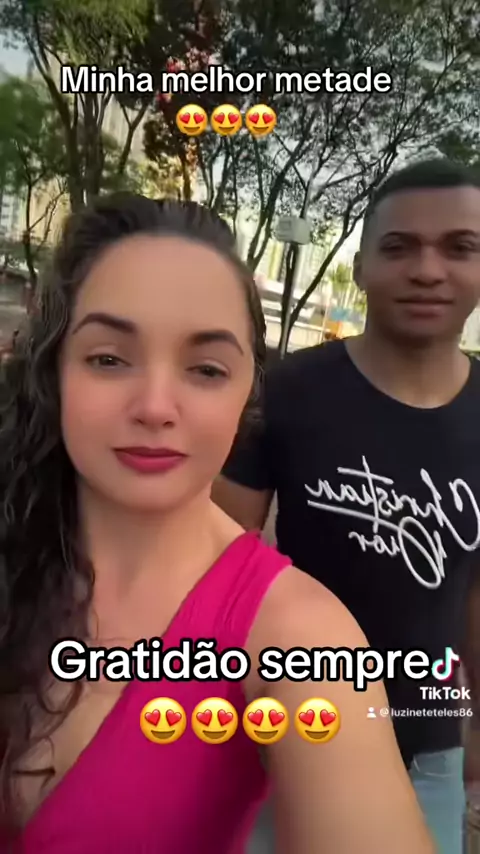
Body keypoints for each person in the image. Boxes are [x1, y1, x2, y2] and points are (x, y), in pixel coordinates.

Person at [0, 194, 433, 853]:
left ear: (246, 394)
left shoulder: (299, 639)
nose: (155, 406)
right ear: (54, 370)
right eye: (109, 359)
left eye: (206, 370)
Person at [214, 158, 480, 854]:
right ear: (360, 267)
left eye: (459, 247)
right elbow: (215, 560)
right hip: (284, 732)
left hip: (428, 745)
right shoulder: (285, 392)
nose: (428, 270)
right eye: (400, 247)